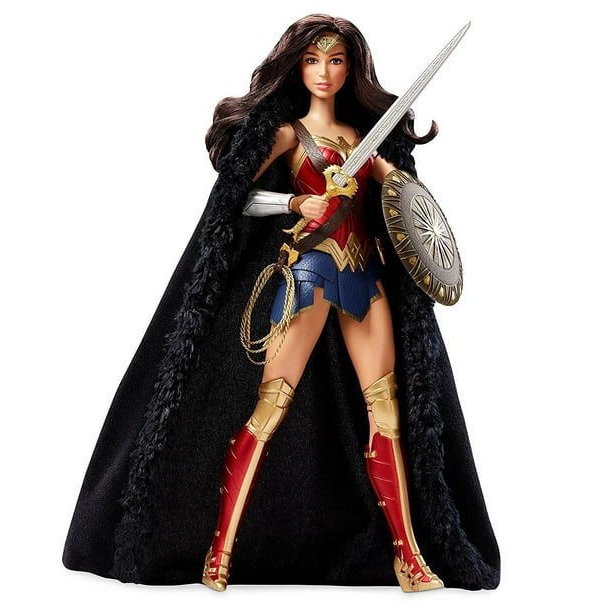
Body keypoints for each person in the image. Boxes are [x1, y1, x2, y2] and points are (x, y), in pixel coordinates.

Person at [63, 14, 500, 592]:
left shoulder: (364, 136)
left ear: (351, 68)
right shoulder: (290, 135)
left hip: (363, 276)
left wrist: (393, 184)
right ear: (298, 66)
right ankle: (220, 550)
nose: (324, 71)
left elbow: (407, 201)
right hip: (310, 271)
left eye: (336, 60)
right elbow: (236, 199)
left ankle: (409, 555)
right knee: (269, 409)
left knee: (389, 412)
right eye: (314, 59)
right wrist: (298, 205)